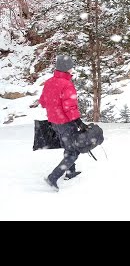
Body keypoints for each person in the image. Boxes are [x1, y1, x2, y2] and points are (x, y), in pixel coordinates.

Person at [39, 55, 89, 191]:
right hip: (66, 122)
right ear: (66, 68)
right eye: (71, 67)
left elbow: (43, 102)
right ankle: (53, 177)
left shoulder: (49, 82)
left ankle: (70, 172)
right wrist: (78, 121)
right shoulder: (67, 84)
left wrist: (54, 106)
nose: (73, 69)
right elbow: (69, 107)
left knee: (68, 146)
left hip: (54, 122)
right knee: (73, 152)